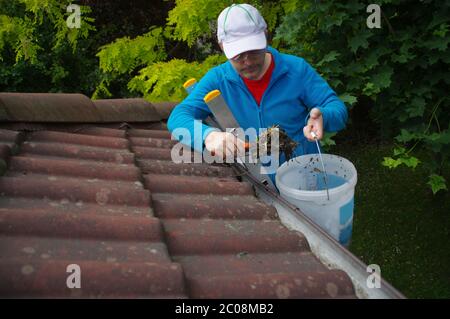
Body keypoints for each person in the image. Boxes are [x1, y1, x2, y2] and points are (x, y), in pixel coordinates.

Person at [168, 3, 348, 167]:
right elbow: (178, 117)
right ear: (222, 46)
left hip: (305, 170)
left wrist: (324, 116)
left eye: (253, 51)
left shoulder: (296, 70)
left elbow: (337, 108)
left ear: (266, 37)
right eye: (238, 55)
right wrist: (208, 136)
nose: (247, 62)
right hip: (257, 180)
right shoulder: (218, 80)